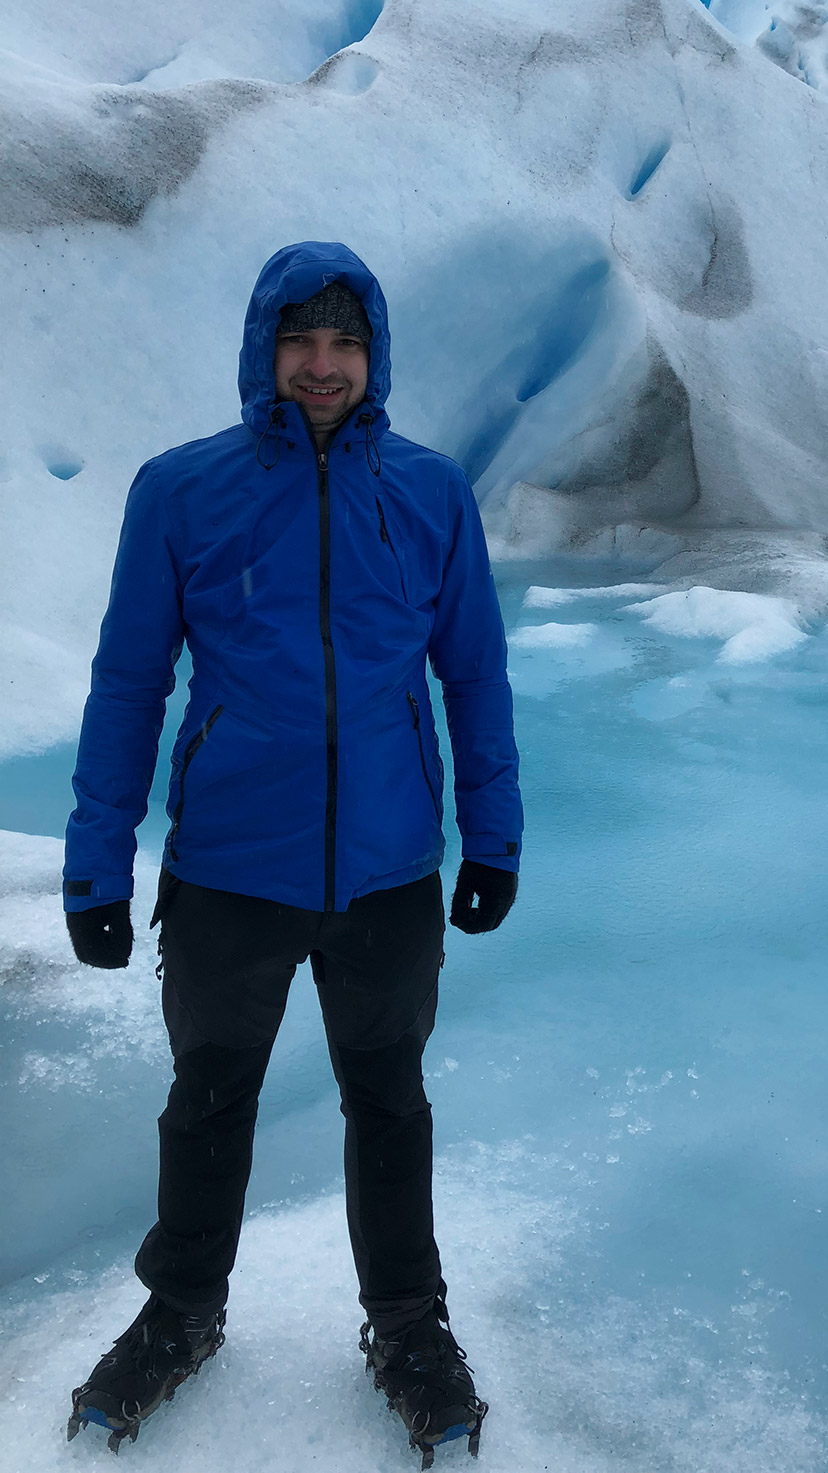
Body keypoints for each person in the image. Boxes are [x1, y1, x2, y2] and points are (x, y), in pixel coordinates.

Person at [61, 241, 521, 1466]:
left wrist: (494, 834)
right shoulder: (183, 490)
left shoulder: (428, 492)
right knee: (209, 1096)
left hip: (386, 872)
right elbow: (125, 684)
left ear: (374, 356)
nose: (322, 365)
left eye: (345, 342)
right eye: (300, 340)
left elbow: (472, 672)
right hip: (227, 867)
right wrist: (96, 863)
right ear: (266, 348)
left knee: (389, 1098)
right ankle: (183, 1311)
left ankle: (408, 1324)